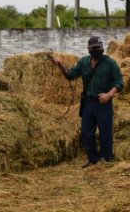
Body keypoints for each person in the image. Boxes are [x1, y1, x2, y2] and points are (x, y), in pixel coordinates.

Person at [50, 36, 123, 168]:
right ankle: (94, 159)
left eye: (99, 48)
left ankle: (107, 160)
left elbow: (119, 82)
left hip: (104, 102)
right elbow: (70, 74)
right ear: (88, 49)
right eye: (93, 48)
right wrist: (59, 64)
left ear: (102, 48)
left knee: (105, 133)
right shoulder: (83, 62)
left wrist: (109, 95)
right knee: (86, 132)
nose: (96, 50)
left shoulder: (110, 63)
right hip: (88, 102)